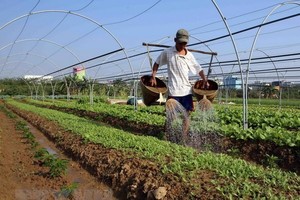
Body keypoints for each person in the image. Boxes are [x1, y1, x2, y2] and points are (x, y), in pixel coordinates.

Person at [150, 28, 209, 113]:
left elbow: (198, 68)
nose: (182, 45)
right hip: (173, 91)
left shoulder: (189, 55)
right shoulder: (167, 52)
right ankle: (169, 127)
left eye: (184, 43)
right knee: (171, 115)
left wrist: (205, 79)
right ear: (175, 40)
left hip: (186, 91)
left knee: (187, 114)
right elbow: (156, 63)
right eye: (180, 43)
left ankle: (185, 127)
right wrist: (153, 76)